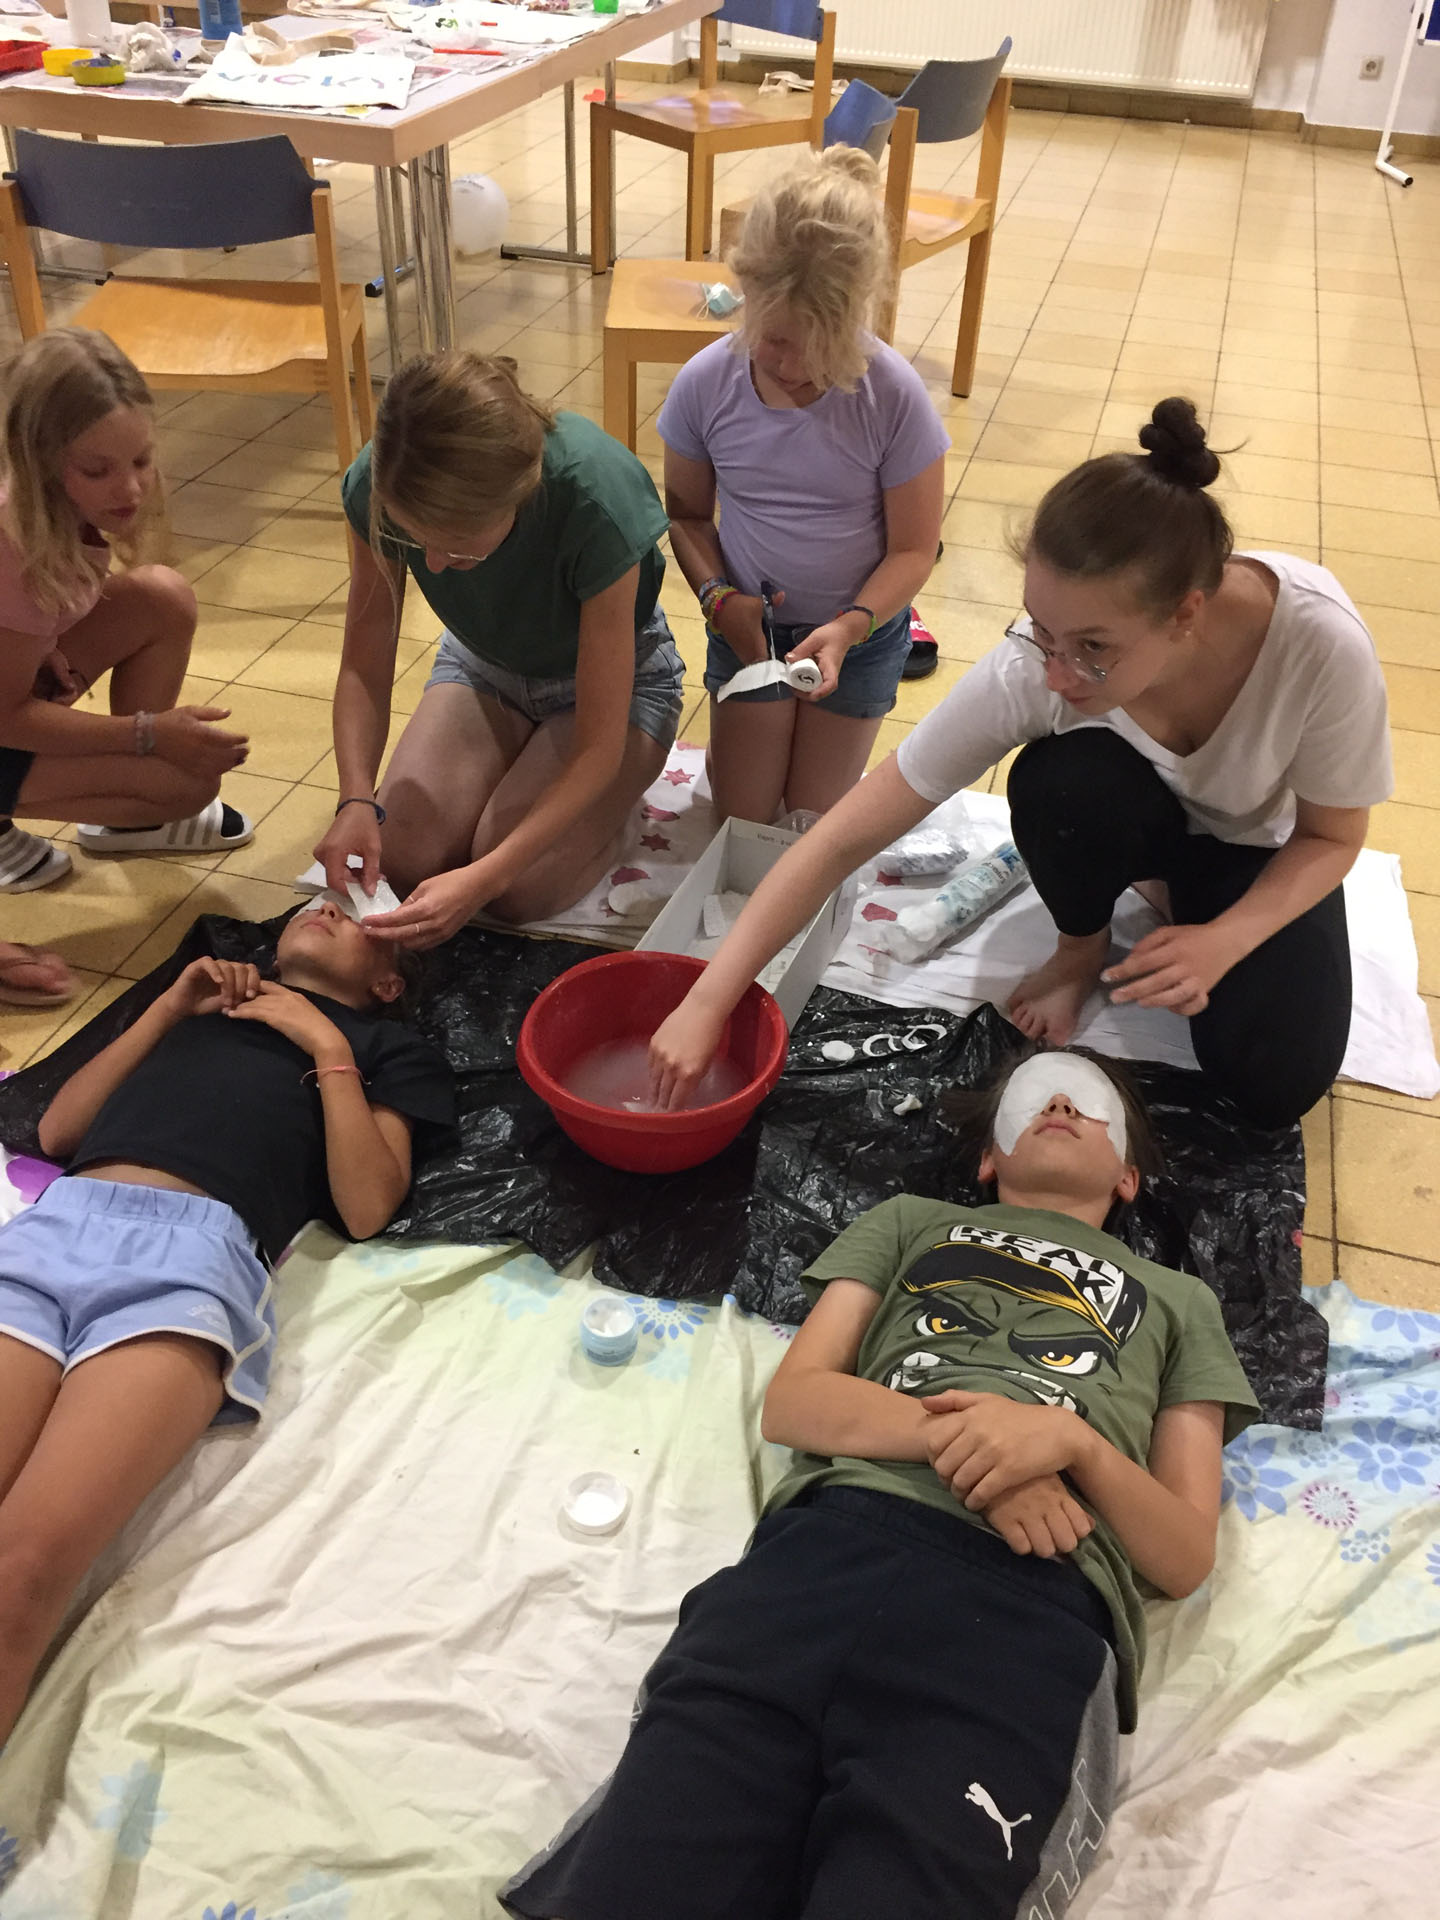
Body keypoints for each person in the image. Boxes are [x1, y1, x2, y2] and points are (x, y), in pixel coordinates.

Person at [501, 1046, 1259, 1920]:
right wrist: (981, 1451)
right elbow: (796, 1403)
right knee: (639, 1880)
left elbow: (1183, 1553)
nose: (1059, 1103)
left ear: (1128, 1176)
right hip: (819, 1561)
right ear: (989, 1159)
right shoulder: (912, 1221)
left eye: (1088, 1104)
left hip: (1029, 1613)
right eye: (1037, 1096)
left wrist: (1072, 1444)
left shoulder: (1179, 1300)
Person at [649, 398, 1392, 1130]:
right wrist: (707, 1000)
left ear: (1185, 615)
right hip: (1133, 812)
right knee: (1060, 784)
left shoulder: (1318, 644)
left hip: (1257, 848)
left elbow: (1331, 838)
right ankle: (1081, 947)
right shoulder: (1036, 664)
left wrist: (1227, 937)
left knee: (1273, 1081)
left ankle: (1180, 897)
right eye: (1042, 630)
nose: (1058, 673)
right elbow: (841, 838)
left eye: (1094, 647)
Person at [0, 895, 454, 1744]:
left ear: (388, 984)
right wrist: (168, 1010)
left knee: (23, 1569)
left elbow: (367, 1206)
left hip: (188, 1263)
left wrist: (326, 1046)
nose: (328, 904)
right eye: (323, 899)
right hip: (55, 1229)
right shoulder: (204, 1007)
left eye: (360, 919)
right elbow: (59, 1132)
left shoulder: (386, 1048)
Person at [314, 351, 685, 950]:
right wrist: (354, 797)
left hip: (620, 686)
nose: (434, 565)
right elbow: (364, 664)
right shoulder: (382, 483)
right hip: (484, 664)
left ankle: (617, 817)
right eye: (417, 540)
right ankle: (523, 778)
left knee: (518, 889)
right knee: (402, 856)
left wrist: (485, 877)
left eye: (458, 548)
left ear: (518, 496)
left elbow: (596, 749)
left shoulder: (597, 498)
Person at [658, 146, 948, 827]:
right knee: (744, 816)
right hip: (747, 626)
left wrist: (851, 625)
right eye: (771, 337)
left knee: (811, 820)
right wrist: (717, 598)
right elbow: (687, 517)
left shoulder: (893, 396)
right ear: (746, 295)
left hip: (860, 637)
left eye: (815, 345)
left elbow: (914, 549)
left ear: (856, 317)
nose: (786, 363)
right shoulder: (706, 384)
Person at [0, 329, 254, 1008]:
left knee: (162, 597)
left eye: (142, 459)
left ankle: (125, 820)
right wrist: (148, 734)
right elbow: (7, 716)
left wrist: (41, 646)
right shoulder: (12, 547)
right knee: (184, 782)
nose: (132, 487)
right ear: (40, 462)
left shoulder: (47, 513)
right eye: (98, 470)